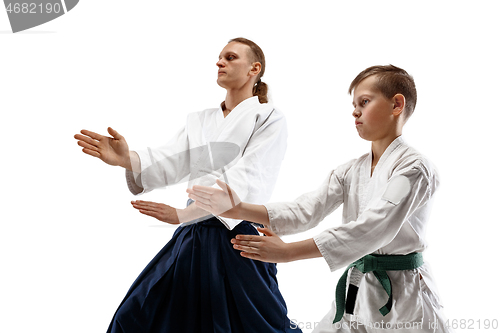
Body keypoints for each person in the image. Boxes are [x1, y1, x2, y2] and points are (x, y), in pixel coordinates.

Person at [187, 65, 454, 333]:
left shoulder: (414, 169)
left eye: (365, 101)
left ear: (397, 104)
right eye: (354, 104)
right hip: (359, 289)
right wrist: (238, 209)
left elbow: (372, 229)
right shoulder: (350, 170)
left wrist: (289, 252)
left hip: (405, 299)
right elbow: (306, 210)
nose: (355, 111)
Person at [74, 38, 301, 333]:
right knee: (137, 317)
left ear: (254, 69)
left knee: (254, 325)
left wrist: (185, 214)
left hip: (236, 236)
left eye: (230, 57)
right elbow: (171, 159)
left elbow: (250, 174)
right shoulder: (200, 120)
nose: (220, 62)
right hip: (193, 235)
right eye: (219, 57)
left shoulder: (269, 116)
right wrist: (127, 159)